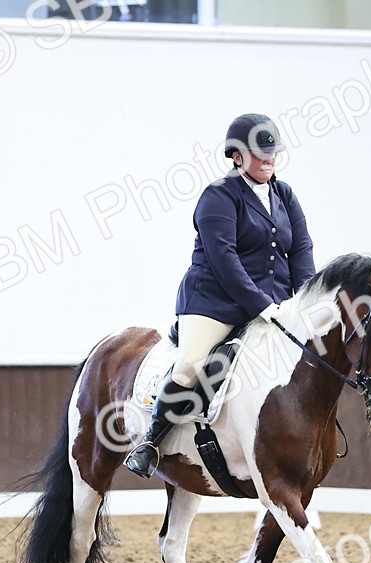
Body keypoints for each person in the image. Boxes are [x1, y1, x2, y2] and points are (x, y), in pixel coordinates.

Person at [124, 113, 316, 477]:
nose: (269, 159)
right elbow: (224, 258)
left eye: (273, 152)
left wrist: (305, 300)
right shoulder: (219, 196)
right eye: (260, 153)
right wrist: (261, 305)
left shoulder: (285, 195)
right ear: (237, 156)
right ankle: (150, 444)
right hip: (214, 302)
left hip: (273, 304)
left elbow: (301, 249)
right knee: (190, 365)